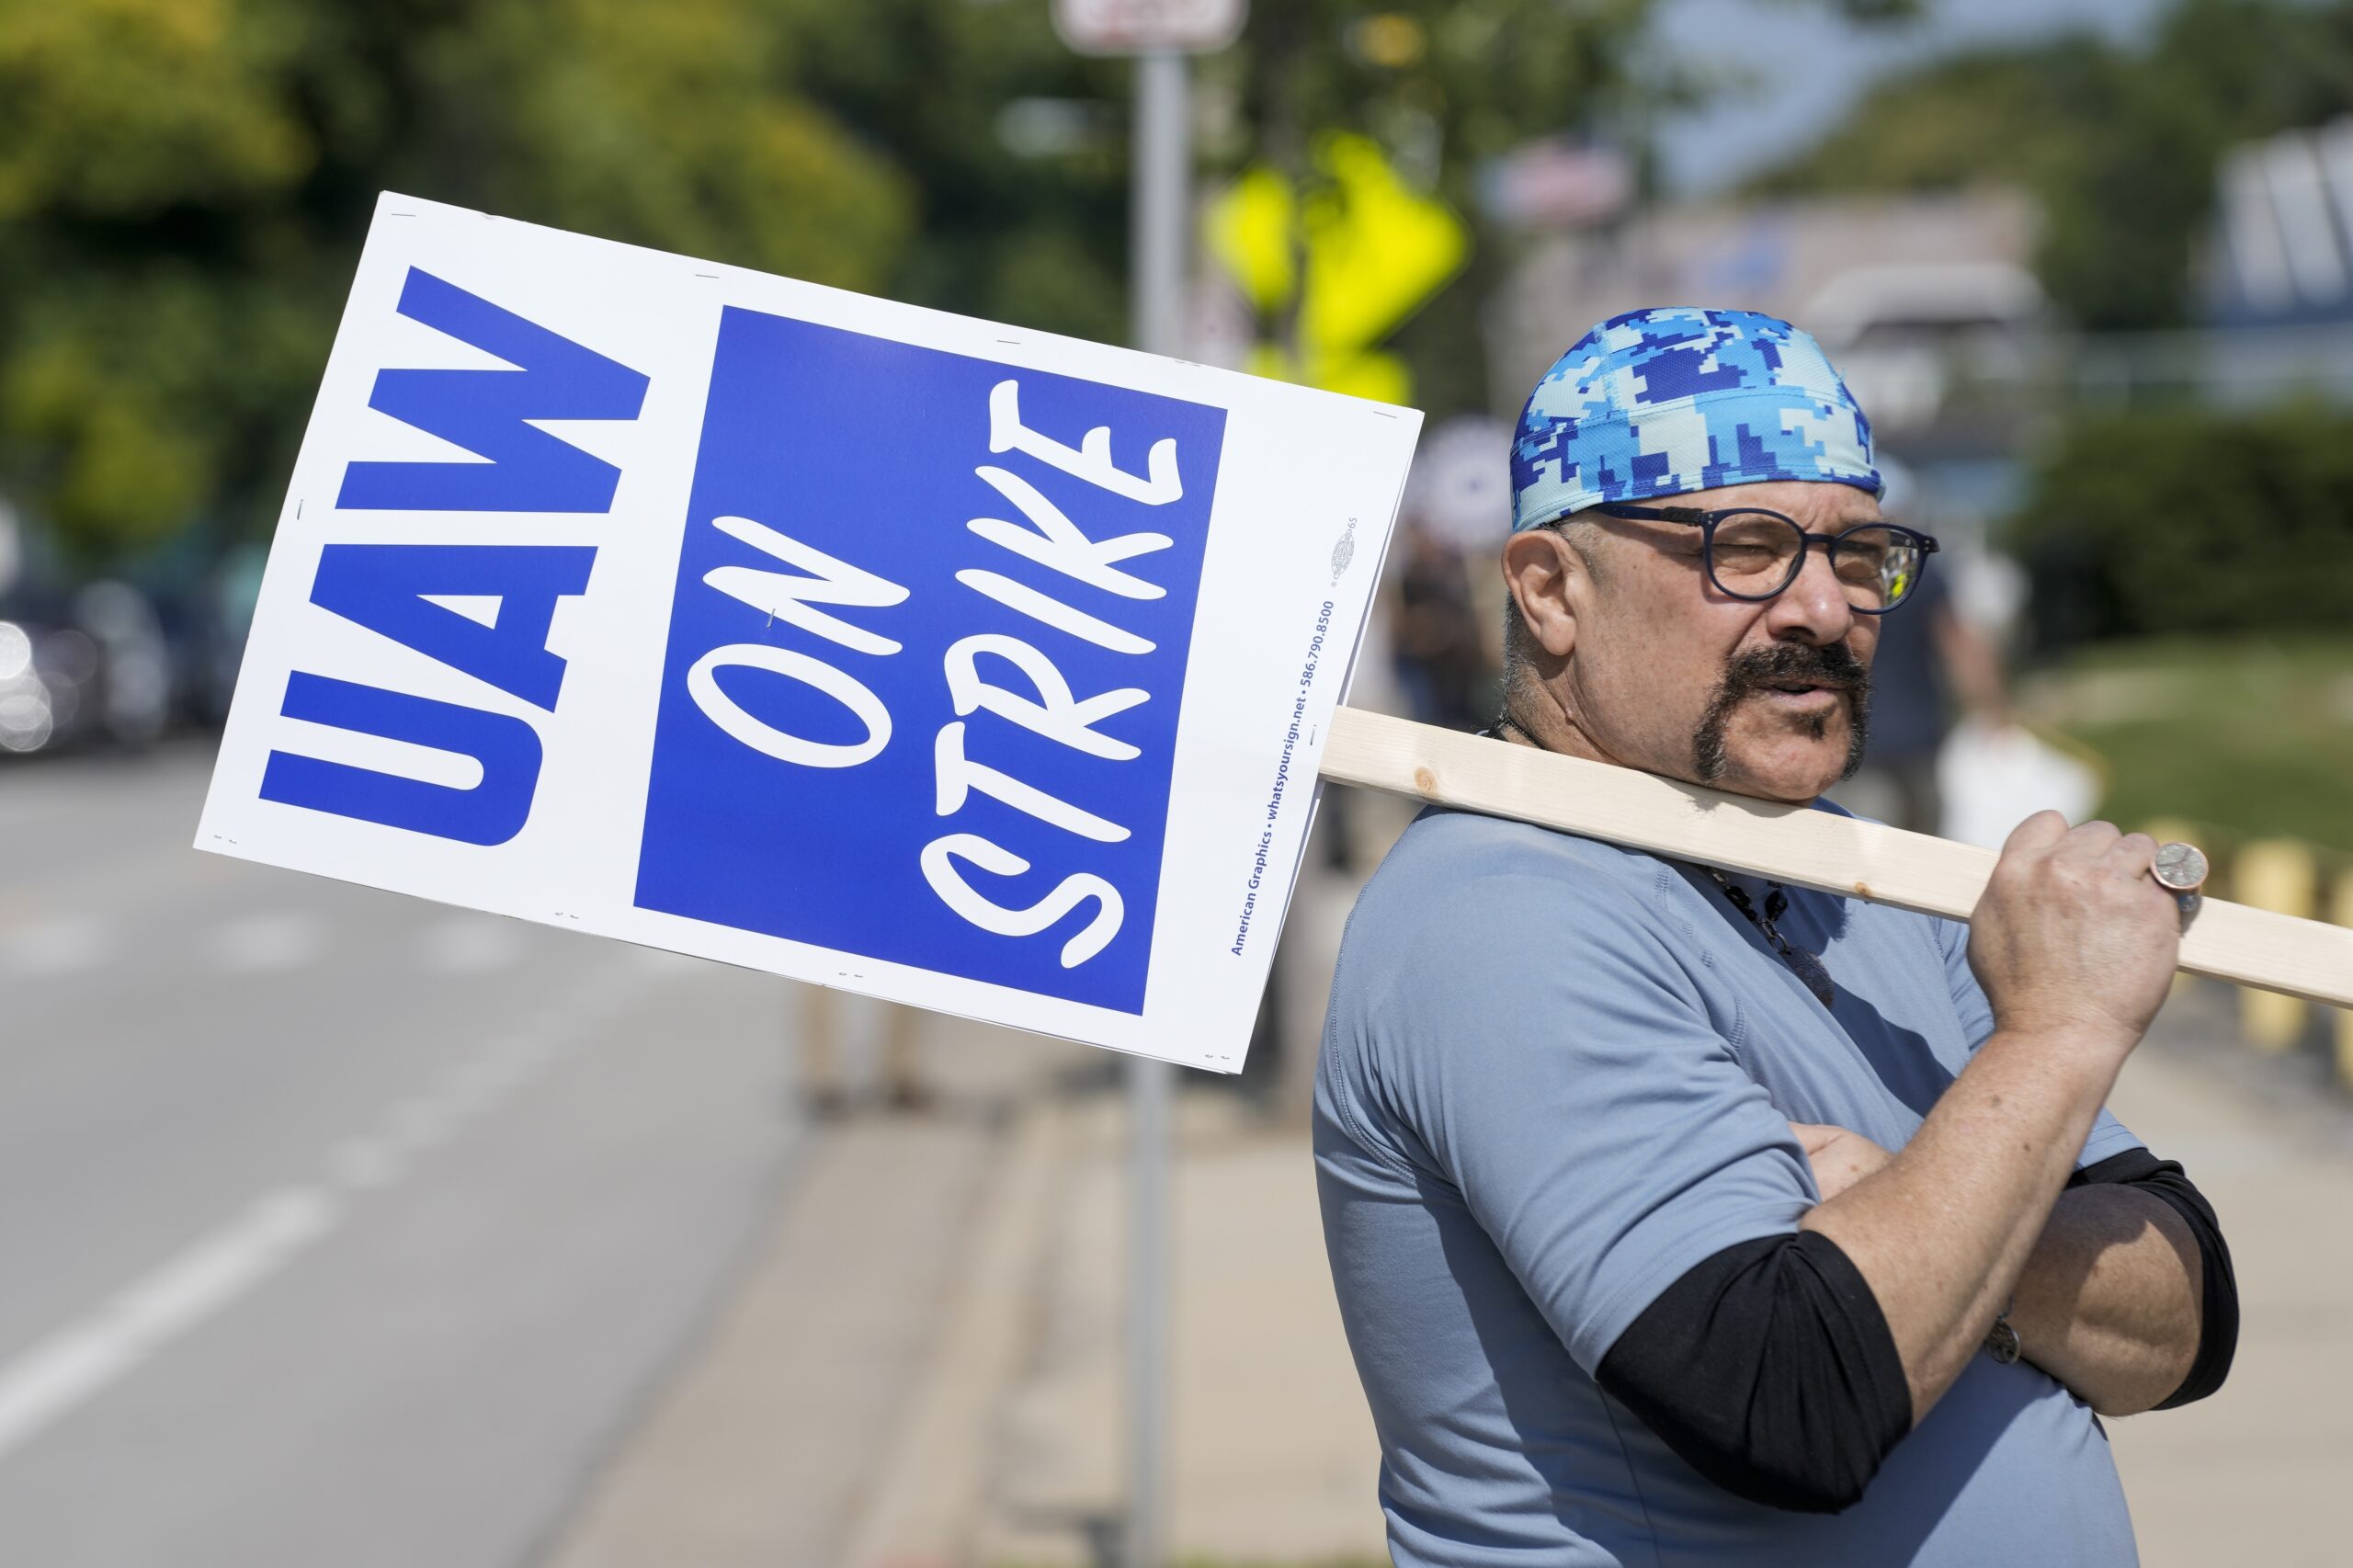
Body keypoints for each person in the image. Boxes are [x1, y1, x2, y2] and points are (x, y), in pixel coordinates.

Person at [1314, 307, 2236, 1567]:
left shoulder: (1842, 864)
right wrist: (2061, 1038)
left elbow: (2184, 1310)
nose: (1825, 605)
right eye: (1745, 548)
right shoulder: (1498, 907)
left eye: (1859, 556)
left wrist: (1944, 1230)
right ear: (1550, 591)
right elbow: (1790, 1394)